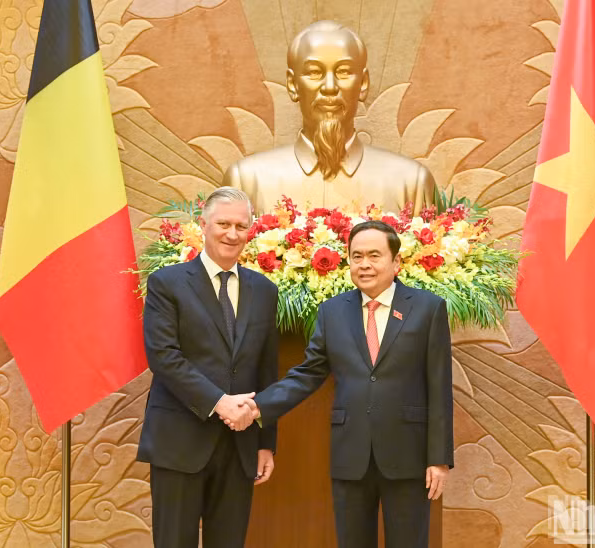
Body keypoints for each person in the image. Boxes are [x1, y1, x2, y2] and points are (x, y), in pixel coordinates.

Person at [228, 220, 453, 548]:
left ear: (396, 262)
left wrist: (439, 458)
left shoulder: (428, 309)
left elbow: (439, 386)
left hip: (410, 456)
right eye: (356, 256)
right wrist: (258, 405)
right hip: (351, 455)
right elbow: (307, 373)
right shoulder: (333, 311)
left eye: (374, 255)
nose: (365, 264)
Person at [137, 187, 279, 548]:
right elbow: (164, 356)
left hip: (240, 446)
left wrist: (266, 443)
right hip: (180, 440)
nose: (232, 234)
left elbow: (266, 369)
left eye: (241, 226)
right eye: (224, 224)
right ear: (203, 224)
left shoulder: (264, 290)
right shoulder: (167, 283)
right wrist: (220, 402)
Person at [223, 20, 436, 216]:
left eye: (343, 72)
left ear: (362, 83)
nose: (330, 87)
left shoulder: (411, 184)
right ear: (292, 84)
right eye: (314, 72)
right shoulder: (247, 181)